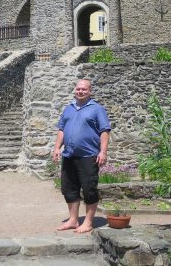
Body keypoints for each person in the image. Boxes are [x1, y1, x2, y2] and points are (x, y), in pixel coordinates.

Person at [52, 79, 111, 233]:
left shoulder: (97, 109)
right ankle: (73, 220)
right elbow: (62, 129)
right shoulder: (68, 109)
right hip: (69, 155)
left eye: (84, 89)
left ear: (90, 91)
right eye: (78, 89)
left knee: (89, 189)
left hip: (89, 156)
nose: (80, 91)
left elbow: (105, 131)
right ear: (75, 90)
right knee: (68, 189)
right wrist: (57, 147)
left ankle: (88, 222)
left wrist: (103, 151)